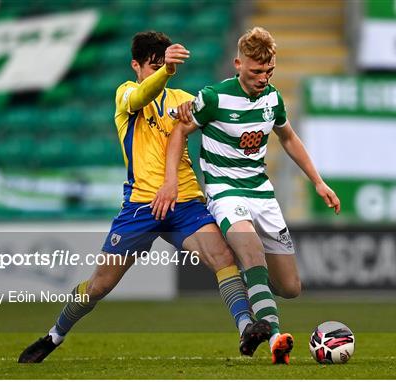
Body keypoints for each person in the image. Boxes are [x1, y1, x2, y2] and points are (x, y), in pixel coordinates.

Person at [18, 31, 272, 364]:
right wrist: (164, 72)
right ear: (135, 65)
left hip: (184, 203)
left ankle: (244, 329)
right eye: (152, 67)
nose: (158, 72)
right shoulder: (126, 95)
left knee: (222, 258)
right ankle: (55, 335)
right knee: (99, 286)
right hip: (141, 205)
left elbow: (219, 111)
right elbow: (140, 97)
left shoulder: (182, 98)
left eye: (163, 66)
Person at [152, 27, 341, 365]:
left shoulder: (273, 98)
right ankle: (275, 340)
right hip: (225, 191)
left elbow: (289, 138)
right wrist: (171, 183)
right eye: (256, 71)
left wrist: (318, 181)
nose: (263, 78)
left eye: (269, 71)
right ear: (238, 64)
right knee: (252, 252)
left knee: (290, 286)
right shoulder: (213, 97)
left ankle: (251, 282)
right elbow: (180, 129)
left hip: (262, 194)